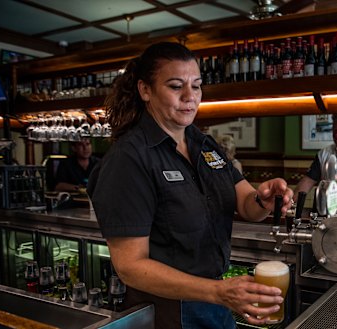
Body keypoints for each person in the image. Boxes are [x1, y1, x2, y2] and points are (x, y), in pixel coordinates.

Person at [87, 42, 293, 328]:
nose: (190, 96)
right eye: (175, 86)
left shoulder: (203, 144)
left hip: (214, 301)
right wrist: (219, 292)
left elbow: (247, 204)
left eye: (196, 86)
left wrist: (264, 199)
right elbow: (131, 267)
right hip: (167, 312)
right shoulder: (130, 158)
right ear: (145, 90)